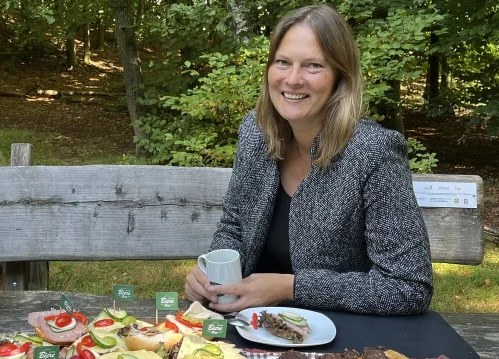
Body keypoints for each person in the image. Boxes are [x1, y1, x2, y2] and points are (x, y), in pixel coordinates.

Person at [184, 4, 433, 315]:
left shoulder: (373, 152)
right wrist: (213, 278)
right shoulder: (255, 132)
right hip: (249, 326)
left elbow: (408, 287)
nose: (293, 79)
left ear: (340, 78)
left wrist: (289, 287)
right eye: (283, 62)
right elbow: (234, 226)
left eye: (313, 65)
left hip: (337, 338)